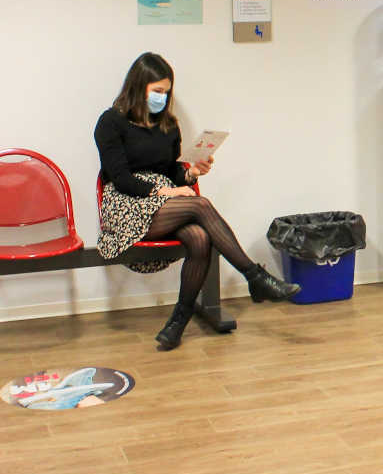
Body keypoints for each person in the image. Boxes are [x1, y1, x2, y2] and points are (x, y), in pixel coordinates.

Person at [94, 52, 298, 351]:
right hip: (126, 203)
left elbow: (171, 173)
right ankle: (255, 276)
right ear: (139, 87)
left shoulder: (168, 125)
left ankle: (178, 320)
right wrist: (163, 192)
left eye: (167, 92)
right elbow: (119, 177)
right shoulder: (111, 122)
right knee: (200, 205)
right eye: (157, 92)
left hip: (164, 203)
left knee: (201, 237)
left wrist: (190, 173)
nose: (163, 98)